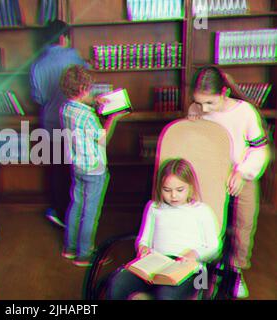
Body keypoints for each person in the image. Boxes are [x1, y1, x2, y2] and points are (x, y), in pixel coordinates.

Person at [187, 66, 270, 298]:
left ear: (224, 92)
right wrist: (192, 122)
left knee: (243, 224)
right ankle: (206, 274)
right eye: (199, 103)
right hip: (209, 174)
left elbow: (259, 148)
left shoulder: (244, 112)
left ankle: (235, 272)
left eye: (209, 104)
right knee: (210, 226)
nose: (204, 109)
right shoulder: (196, 109)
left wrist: (242, 172)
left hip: (241, 174)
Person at [106, 158, 221, 300]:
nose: (173, 196)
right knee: (118, 283)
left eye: (180, 190)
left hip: (190, 270)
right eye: (167, 190)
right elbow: (143, 239)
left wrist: (195, 254)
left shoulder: (202, 210)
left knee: (166, 296)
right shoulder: (154, 207)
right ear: (159, 187)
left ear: (190, 187)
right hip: (156, 265)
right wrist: (143, 248)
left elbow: (214, 245)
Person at [60, 65, 126, 266]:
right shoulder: (87, 116)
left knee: (76, 206)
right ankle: (84, 254)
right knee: (91, 212)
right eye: (89, 88)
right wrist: (113, 119)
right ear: (82, 89)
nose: (92, 91)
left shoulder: (65, 108)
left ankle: (70, 249)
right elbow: (102, 138)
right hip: (94, 168)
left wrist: (94, 102)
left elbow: (81, 122)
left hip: (77, 165)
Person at [30, 19, 90, 228]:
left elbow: (38, 98)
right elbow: (84, 82)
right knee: (75, 169)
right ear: (64, 37)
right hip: (73, 123)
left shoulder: (37, 64)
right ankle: (73, 217)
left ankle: (57, 210)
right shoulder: (73, 57)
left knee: (56, 169)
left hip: (49, 123)